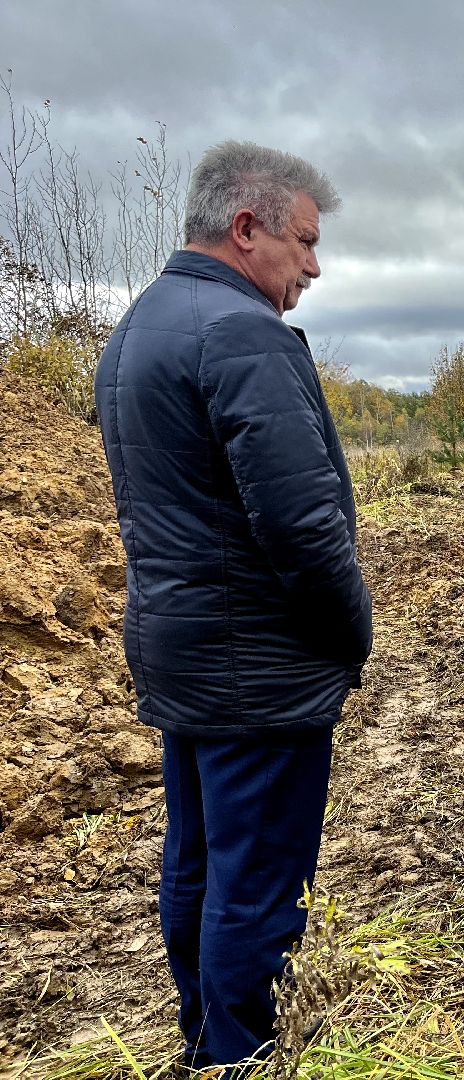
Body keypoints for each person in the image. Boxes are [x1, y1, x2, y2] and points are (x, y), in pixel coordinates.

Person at [94, 141, 372, 1073]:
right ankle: (238, 1055)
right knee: (255, 883)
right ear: (246, 228)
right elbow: (304, 525)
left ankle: (204, 1038)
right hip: (257, 664)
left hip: (182, 648)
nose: (314, 266)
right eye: (304, 240)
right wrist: (352, 635)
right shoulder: (243, 335)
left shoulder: (140, 327)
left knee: (201, 860)